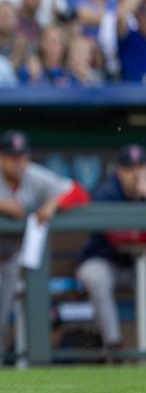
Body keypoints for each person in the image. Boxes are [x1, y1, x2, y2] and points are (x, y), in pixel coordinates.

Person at [0, 130, 89, 366]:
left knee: (2, 314)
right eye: (11, 156)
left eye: (22, 156)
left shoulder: (34, 176)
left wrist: (54, 203)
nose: (18, 162)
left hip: (9, 256)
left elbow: (79, 192)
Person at [76, 144, 146, 362]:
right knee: (96, 277)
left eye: (141, 167)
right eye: (129, 168)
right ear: (119, 171)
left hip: (138, 264)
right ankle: (114, 347)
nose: (136, 173)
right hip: (105, 260)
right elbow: (119, 238)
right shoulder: (107, 193)